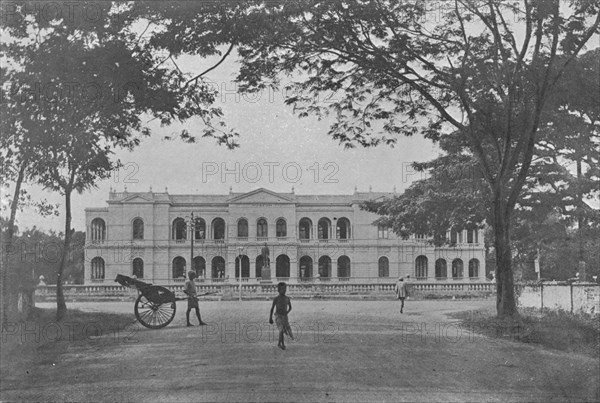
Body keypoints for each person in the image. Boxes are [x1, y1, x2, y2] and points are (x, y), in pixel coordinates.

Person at [269, 282, 293, 350]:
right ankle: (281, 344)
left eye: (285, 289)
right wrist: (270, 318)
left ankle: (279, 343)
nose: (284, 290)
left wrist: (287, 312)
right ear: (278, 290)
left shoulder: (287, 298)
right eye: (282, 289)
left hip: (284, 317)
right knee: (281, 330)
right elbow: (272, 308)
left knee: (282, 330)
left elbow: (290, 307)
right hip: (278, 316)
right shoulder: (276, 299)